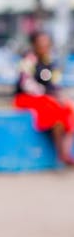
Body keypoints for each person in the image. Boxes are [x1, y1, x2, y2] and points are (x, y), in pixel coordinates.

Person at [13, 31, 74, 166]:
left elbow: (55, 83)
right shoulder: (28, 60)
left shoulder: (50, 62)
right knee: (54, 110)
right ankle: (62, 154)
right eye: (40, 43)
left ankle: (65, 152)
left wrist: (59, 96)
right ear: (34, 44)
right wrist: (48, 94)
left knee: (69, 109)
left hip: (48, 99)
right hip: (29, 98)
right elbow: (25, 83)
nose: (44, 46)